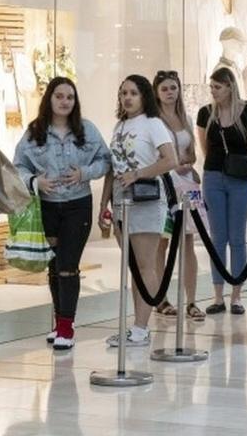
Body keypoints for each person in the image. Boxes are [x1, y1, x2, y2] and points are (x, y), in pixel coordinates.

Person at [14, 77, 111, 350]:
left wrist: (85, 173)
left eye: (70, 97)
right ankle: (59, 322)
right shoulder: (34, 132)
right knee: (55, 267)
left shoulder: (87, 130)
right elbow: (17, 166)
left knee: (68, 266)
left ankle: (67, 328)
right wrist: (35, 182)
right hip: (46, 207)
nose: (65, 101)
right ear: (50, 99)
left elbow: (105, 160)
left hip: (77, 206)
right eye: (60, 96)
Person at [100, 75, 178, 347]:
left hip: (145, 199)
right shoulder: (120, 126)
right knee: (132, 266)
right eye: (123, 93)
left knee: (145, 265)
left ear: (144, 95)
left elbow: (170, 159)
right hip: (121, 202)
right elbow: (113, 167)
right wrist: (103, 204)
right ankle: (135, 325)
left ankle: (142, 327)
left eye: (133, 92)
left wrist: (138, 174)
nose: (128, 97)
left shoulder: (153, 124)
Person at [197, 67, 247, 315]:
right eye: (212, 86)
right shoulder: (206, 113)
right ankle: (217, 295)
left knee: (237, 237)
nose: (213, 91)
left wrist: (246, 167)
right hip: (213, 175)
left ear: (230, 87)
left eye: (218, 86)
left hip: (239, 177)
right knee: (217, 237)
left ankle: (237, 295)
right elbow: (205, 146)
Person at [151, 70, 204, 322]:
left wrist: (185, 162)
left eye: (173, 88)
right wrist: (172, 165)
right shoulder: (154, 121)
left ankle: (191, 300)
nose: (170, 93)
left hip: (187, 183)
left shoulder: (185, 117)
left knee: (188, 241)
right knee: (162, 242)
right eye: (165, 89)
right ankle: (161, 298)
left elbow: (192, 154)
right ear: (157, 93)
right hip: (165, 184)